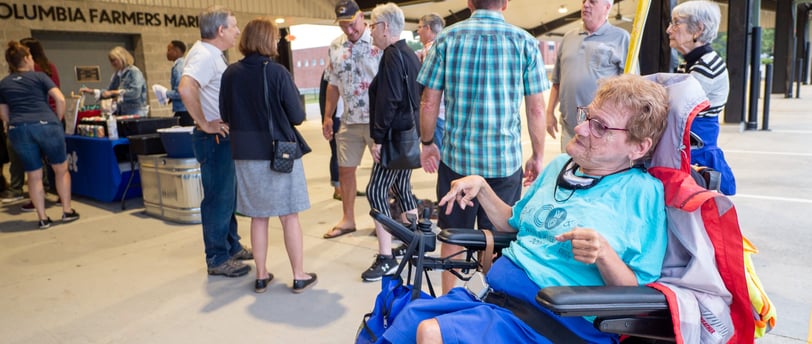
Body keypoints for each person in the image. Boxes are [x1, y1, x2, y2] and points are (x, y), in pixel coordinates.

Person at [382, 74, 670, 343]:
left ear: (638, 147)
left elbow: (637, 293)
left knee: (431, 332)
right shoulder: (561, 167)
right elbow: (514, 223)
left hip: (555, 322)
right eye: (587, 116)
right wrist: (482, 188)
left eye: (600, 126)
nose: (580, 128)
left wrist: (605, 255)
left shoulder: (643, 194)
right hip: (500, 300)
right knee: (403, 320)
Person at [417, 0, 549, 293]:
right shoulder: (524, 42)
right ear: (505, 3)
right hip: (504, 164)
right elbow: (537, 109)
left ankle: (450, 300)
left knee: (453, 236)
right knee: (498, 237)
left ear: (468, 2)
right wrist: (538, 156)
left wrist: (427, 143)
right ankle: (496, 301)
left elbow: (428, 102)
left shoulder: (446, 39)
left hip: (457, 164)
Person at [220, 17, 317, 293]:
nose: (277, 42)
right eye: (274, 37)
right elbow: (298, 116)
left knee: (258, 217)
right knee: (289, 216)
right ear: (265, 40)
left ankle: (261, 275)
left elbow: (226, 115)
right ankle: (298, 275)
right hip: (279, 154)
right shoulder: (276, 72)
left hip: (245, 154)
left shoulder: (230, 74)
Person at [178, 5, 252, 278]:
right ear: (221, 30)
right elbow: (186, 87)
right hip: (214, 138)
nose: (237, 32)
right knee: (218, 199)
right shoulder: (203, 55)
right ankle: (217, 257)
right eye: (234, 26)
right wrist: (204, 123)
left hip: (222, 137)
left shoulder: (213, 55)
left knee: (227, 196)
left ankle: (231, 246)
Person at [361, 3, 422, 282]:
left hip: (394, 136)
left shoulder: (391, 55)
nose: (371, 32)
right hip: (409, 133)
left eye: (373, 26)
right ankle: (416, 242)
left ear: (385, 27)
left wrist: (378, 138)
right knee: (402, 188)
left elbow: (390, 100)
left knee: (375, 191)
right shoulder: (409, 54)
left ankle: (386, 258)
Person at [0, 41, 79, 229]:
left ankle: (42, 218)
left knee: (33, 175)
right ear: (27, 59)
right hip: (46, 125)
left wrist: (16, 123)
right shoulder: (40, 77)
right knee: (60, 169)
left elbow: (3, 115)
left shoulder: (3, 84)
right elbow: (59, 98)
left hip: (19, 129)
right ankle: (66, 211)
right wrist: (56, 119)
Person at [321, 0, 381, 240]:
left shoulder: (379, 42)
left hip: (378, 122)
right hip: (349, 120)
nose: (349, 30)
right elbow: (332, 84)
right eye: (343, 25)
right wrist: (327, 115)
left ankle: (389, 220)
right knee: (345, 170)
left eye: (352, 24)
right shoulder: (335, 46)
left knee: (385, 172)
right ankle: (348, 219)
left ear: (362, 17)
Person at [667, 0, 736, 195]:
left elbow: (674, 106)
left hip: (696, 151)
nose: (668, 30)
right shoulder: (691, 64)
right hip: (687, 145)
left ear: (698, 29)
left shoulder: (706, 67)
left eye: (676, 23)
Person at [545, 0, 629, 152]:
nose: (586, 5)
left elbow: (631, 87)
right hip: (569, 129)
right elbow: (557, 81)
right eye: (584, 1)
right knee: (568, 172)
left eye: (592, 1)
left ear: (607, 8)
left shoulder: (621, 38)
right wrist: (549, 112)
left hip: (601, 131)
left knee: (596, 174)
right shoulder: (568, 38)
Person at [2, 37, 61, 207]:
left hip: (24, 123)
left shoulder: (17, 77)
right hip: (48, 120)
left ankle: (36, 203)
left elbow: (4, 109)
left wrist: (11, 124)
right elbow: (59, 98)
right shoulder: (47, 71)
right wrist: (57, 119)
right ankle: (62, 202)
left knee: (33, 167)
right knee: (57, 165)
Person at [80, 47, 148, 117]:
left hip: (136, 112)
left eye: (114, 60)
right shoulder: (117, 74)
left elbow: (135, 93)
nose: (112, 63)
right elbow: (108, 91)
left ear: (122, 58)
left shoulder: (134, 72)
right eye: (111, 61)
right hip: (122, 112)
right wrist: (91, 91)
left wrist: (114, 92)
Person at [415, 13, 445, 152]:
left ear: (428, 28)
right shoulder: (444, 46)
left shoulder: (430, 50)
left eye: (420, 27)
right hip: (448, 111)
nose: (418, 31)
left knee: (439, 157)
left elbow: (428, 90)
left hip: (436, 112)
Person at [318, 69, 345, 200]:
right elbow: (323, 97)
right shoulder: (329, 71)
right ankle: (337, 188)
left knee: (349, 156)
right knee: (336, 154)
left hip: (349, 118)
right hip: (336, 118)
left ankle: (348, 186)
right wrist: (325, 117)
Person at [165, 40, 193, 126]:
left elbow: (180, 92)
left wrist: (165, 93)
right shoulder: (182, 65)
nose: (167, 53)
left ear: (176, 51)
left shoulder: (178, 67)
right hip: (184, 108)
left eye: (169, 50)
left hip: (183, 109)